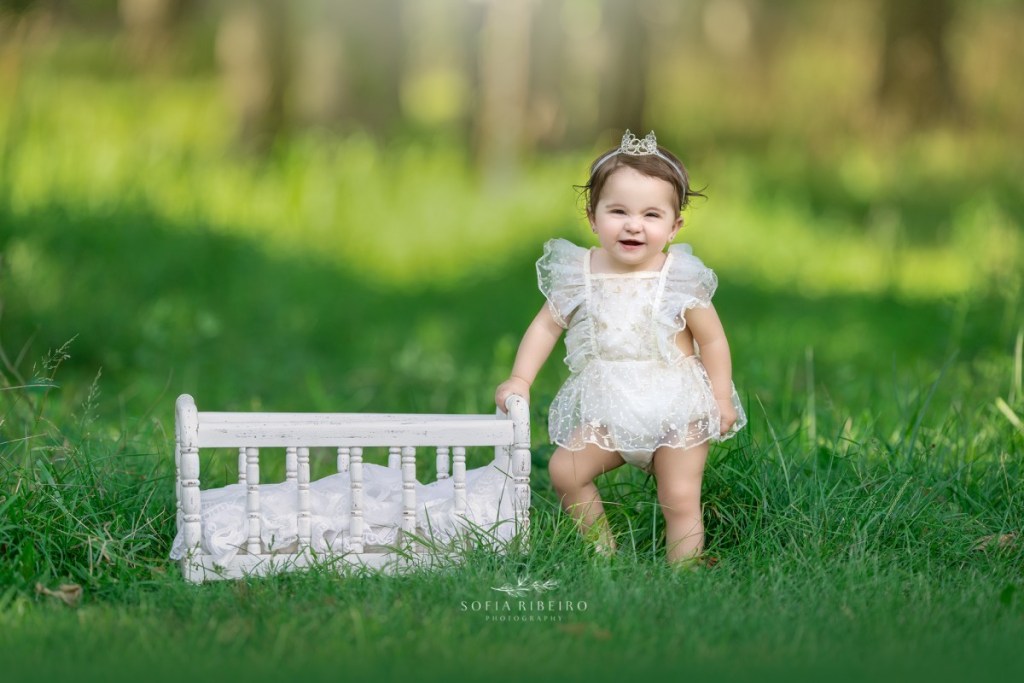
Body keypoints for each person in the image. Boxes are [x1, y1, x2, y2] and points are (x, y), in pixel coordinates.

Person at [495, 130, 747, 568]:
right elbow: (545, 327)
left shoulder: (679, 277)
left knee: (679, 495)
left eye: (652, 214)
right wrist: (521, 377)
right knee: (565, 472)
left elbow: (712, 339)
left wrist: (721, 397)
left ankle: (683, 570)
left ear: (674, 226)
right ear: (593, 218)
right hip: (609, 407)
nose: (634, 224)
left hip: (677, 407)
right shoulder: (579, 273)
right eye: (618, 211)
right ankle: (602, 552)